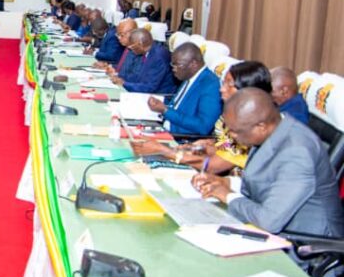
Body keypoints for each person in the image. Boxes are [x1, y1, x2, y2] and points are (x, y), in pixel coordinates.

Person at [192, 89, 343, 238]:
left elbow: (268, 221)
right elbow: (269, 182)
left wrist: (226, 195)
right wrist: (225, 182)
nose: (231, 136)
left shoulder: (297, 151)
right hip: (271, 228)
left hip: (303, 248)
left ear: (261, 127)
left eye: (235, 131)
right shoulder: (276, 129)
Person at [136, 60, 274, 171]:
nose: (222, 89)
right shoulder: (231, 112)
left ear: (248, 90)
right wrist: (208, 145)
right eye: (223, 83)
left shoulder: (250, 123)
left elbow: (216, 166)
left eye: (229, 85)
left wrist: (163, 150)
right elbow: (226, 146)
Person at [145, 43, 222, 135]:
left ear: (193, 64)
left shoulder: (211, 85)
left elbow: (203, 126)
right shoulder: (190, 75)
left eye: (178, 65)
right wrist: (160, 104)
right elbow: (178, 105)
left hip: (181, 138)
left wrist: (165, 110)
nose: (174, 69)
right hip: (164, 127)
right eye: (172, 65)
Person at [110, 28, 176, 94]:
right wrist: (120, 77)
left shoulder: (158, 56)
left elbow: (150, 87)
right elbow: (139, 77)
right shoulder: (147, 52)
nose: (130, 49)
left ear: (140, 44)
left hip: (159, 97)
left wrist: (124, 83)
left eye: (132, 47)